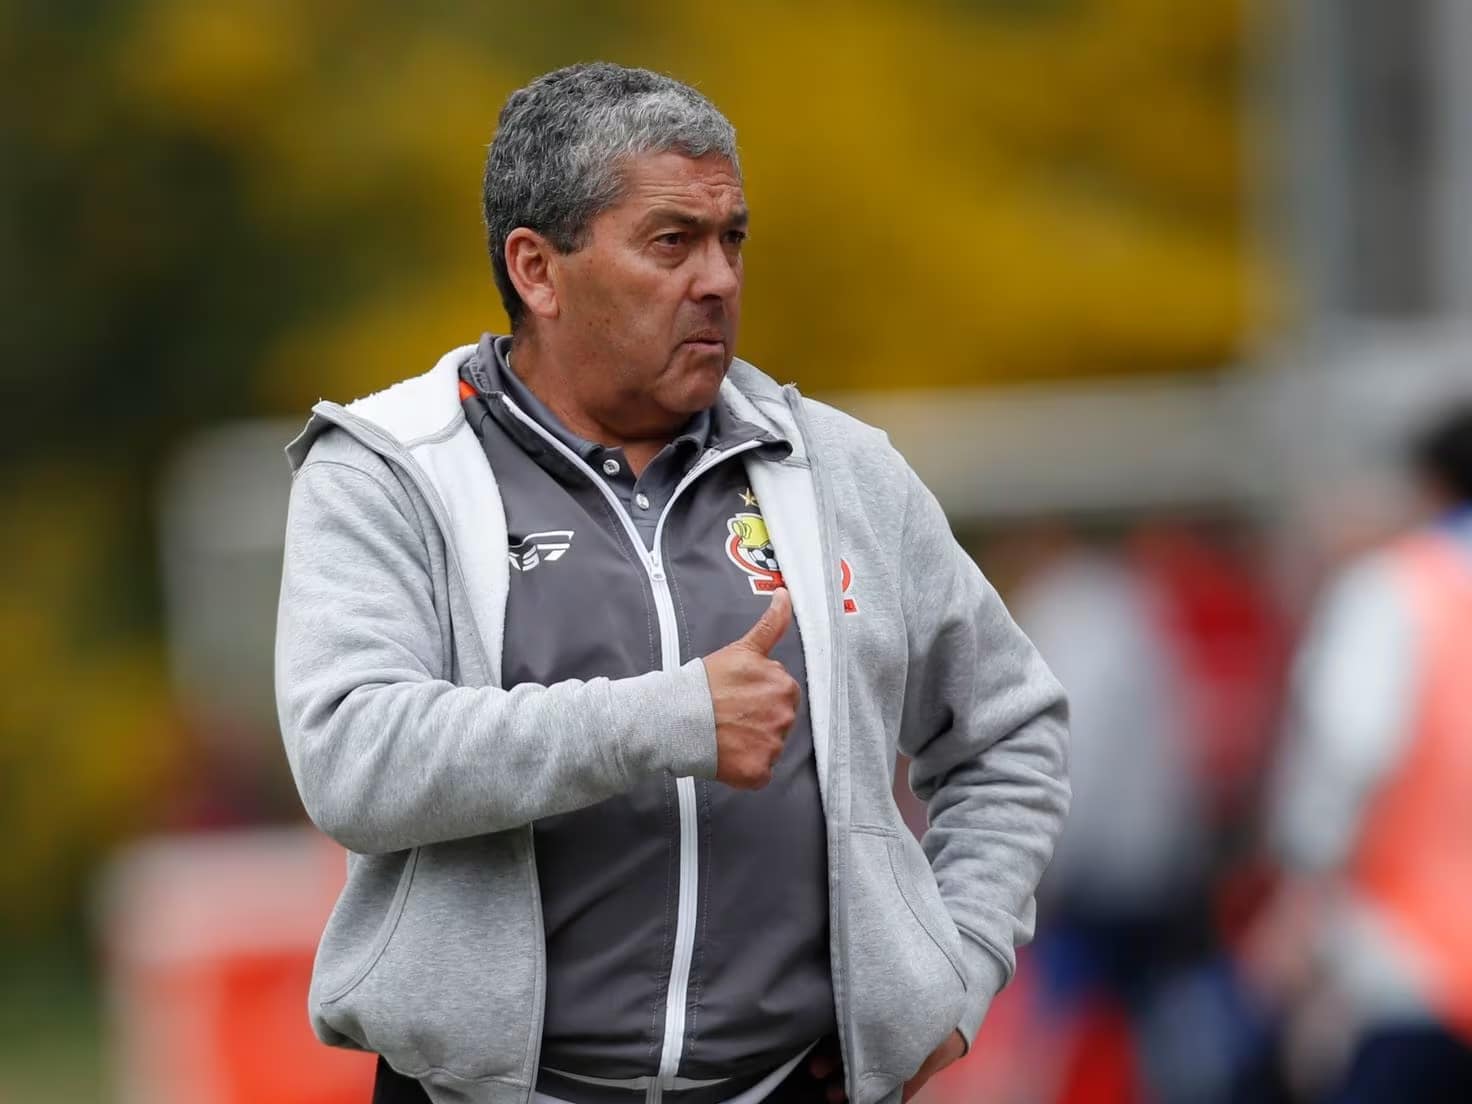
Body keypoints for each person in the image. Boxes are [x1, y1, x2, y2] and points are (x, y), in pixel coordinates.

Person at [274, 62, 1070, 1104]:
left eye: (731, 239)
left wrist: (950, 980)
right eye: (671, 242)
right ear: (537, 270)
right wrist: (670, 719)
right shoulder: (391, 467)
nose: (718, 280)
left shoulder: (843, 473)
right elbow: (352, 758)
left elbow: (1011, 730)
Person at [1259, 403, 1472, 1102]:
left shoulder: (1397, 590)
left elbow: (1347, 752)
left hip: (1416, 965)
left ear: (1429, 485)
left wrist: (1299, 898)